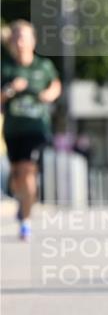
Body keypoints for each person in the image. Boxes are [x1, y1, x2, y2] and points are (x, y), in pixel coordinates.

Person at [1, 20, 61, 241]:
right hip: (13, 129)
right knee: (17, 175)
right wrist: (9, 90)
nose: (20, 41)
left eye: (24, 37)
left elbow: (55, 84)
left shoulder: (42, 66)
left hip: (37, 128)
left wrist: (50, 94)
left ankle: (25, 222)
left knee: (28, 170)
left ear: (33, 41)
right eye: (16, 37)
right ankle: (22, 201)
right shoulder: (5, 68)